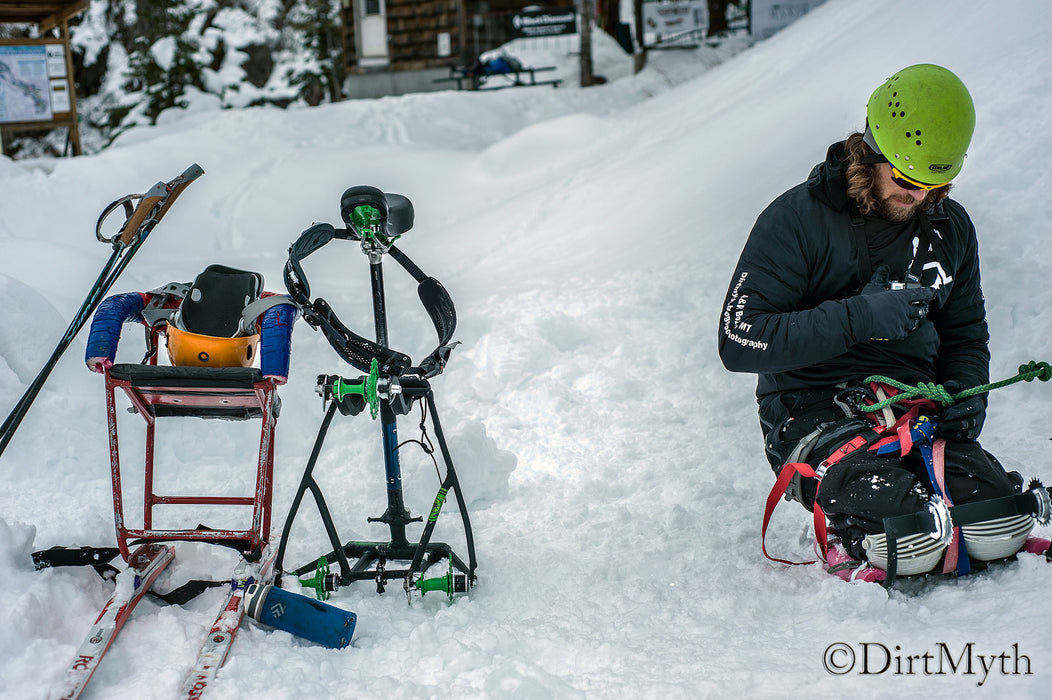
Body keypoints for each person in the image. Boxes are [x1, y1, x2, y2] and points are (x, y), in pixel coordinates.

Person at [717, 64, 1033, 576]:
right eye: (908, 180)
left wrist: (965, 395)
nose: (920, 197)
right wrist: (859, 317)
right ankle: (862, 524)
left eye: (937, 184)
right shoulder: (798, 220)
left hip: (915, 406)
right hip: (811, 405)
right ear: (871, 153)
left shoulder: (950, 228)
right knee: (903, 532)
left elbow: (966, 334)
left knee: (997, 519)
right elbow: (739, 340)